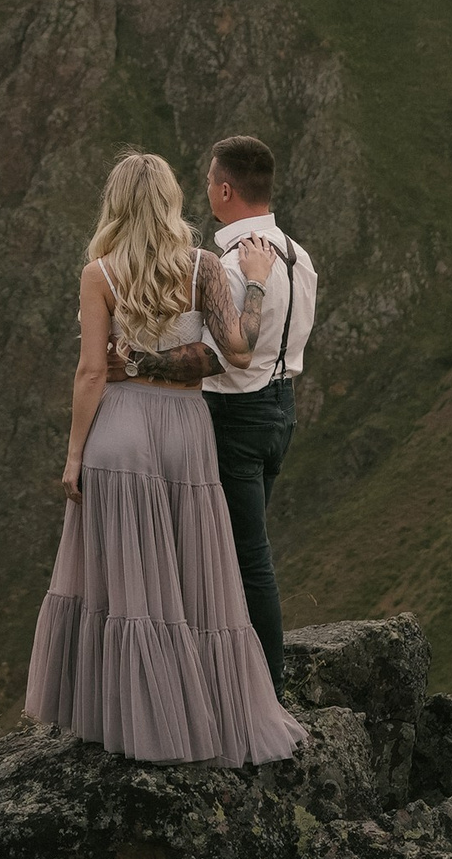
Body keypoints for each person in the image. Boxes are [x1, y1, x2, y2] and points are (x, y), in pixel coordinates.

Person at [24, 149, 305, 766]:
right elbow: (239, 351)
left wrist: (74, 456)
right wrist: (255, 279)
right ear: (171, 202)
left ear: (117, 205)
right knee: (192, 578)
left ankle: (128, 722)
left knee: (124, 584)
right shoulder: (205, 267)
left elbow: (91, 372)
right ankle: (201, 713)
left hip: (119, 431)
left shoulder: (99, 274)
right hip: (186, 430)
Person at [199, 131, 318, 701]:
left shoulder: (229, 264)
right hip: (281, 409)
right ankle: (246, 675)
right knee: (244, 551)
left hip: (234, 416)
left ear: (225, 189)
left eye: (207, 181)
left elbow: (222, 352)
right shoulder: (300, 256)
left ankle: (264, 687)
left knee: (244, 558)